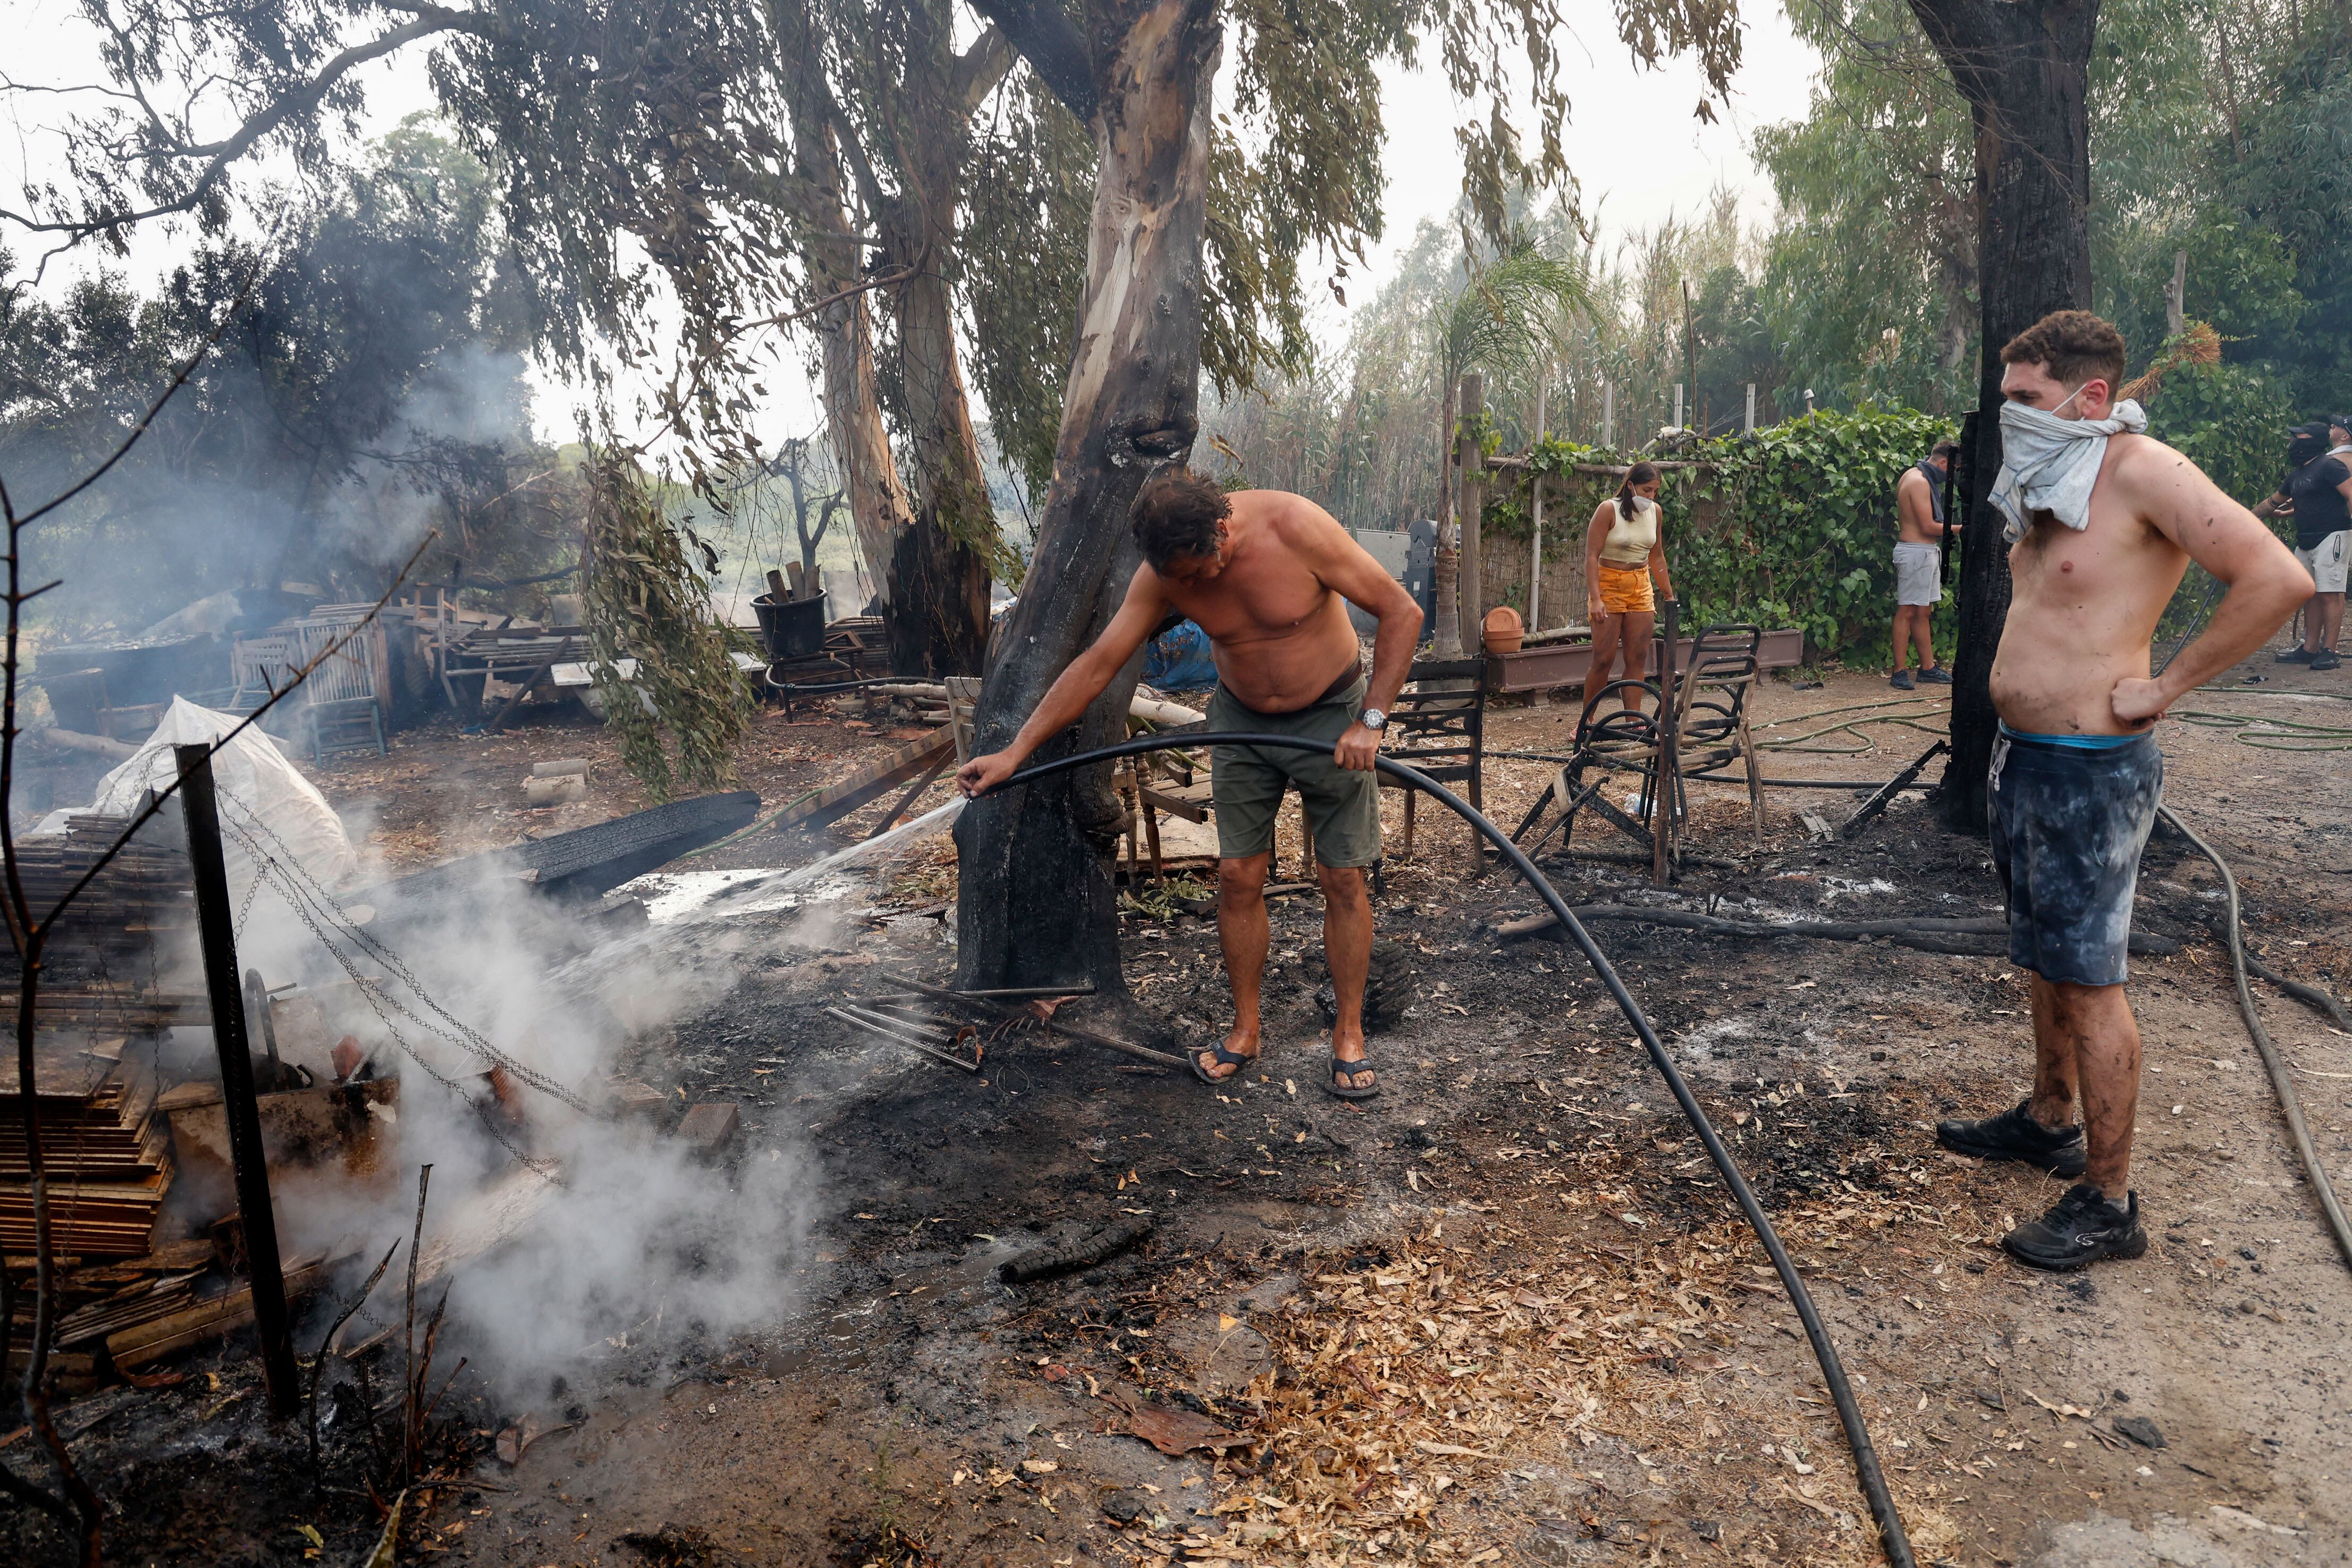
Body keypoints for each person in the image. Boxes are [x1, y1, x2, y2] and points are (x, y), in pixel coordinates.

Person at [1932, 310, 2308, 1270]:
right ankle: (2049, 1118)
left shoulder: (2144, 470)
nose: (2009, 413)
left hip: (2090, 775)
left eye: (2024, 396)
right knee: (2047, 961)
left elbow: (2278, 577)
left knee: (2092, 983)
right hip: (2027, 759)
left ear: (2089, 396)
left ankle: (2110, 1202)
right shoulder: (2056, 475)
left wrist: (2167, 684)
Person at [956, 470, 1423, 1100]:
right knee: (1237, 876)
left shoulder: (1298, 527)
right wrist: (1016, 751)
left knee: (1341, 875)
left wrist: (1371, 720)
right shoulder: (1166, 574)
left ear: (1223, 528)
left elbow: (1402, 610)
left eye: (1202, 570)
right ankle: (1246, 1029)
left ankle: (1348, 1033)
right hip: (1241, 722)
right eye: (1183, 579)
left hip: (1332, 716)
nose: (1196, 587)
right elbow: (1099, 663)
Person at [1576, 461, 1675, 732]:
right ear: (1631, 485)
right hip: (1609, 583)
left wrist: (1668, 593)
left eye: (1655, 491)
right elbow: (1591, 557)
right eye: (1646, 489)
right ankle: (1587, 722)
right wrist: (1596, 599)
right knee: (1603, 659)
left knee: (1638, 656)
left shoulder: (1655, 512)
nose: (1651, 496)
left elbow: (1656, 555)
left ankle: (1633, 721)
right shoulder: (1608, 510)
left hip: (1640, 585)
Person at [2254, 420, 2352, 670]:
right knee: (2309, 592)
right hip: (2306, 539)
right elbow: (2272, 502)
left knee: (2331, 592)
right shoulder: (2297, 474)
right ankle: (2310, 648)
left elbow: (2351, 493)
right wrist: (2243, 517)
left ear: (2312, 440)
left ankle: (2330, 650)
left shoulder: (2330, 466)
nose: (2293, 441)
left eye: (2298, 436)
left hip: (2333, 535)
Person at [1888, 439, 1961, 689]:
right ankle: (1899, 672)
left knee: (1923, 611)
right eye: (1954, 470)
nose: (1953, 476)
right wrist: (1964, 529)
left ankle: (1928, 668)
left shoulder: (1915, 474)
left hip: (1926, 552)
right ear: (1944, 463)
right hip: (1916, 552)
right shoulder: (1919, 482)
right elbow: (1928, 526)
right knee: (1908, 611)